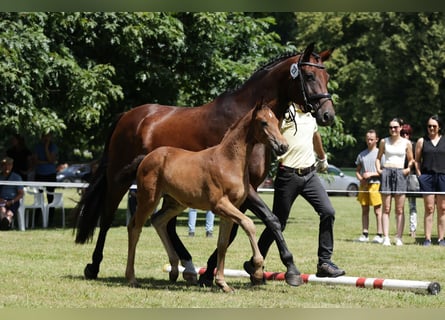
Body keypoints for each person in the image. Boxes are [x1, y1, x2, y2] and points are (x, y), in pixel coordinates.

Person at [243, 104, 345, 279]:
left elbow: (315, 136)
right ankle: (255, 263)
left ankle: (325, 263)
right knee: (278, 223)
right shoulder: (284, 114)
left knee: (328, 212)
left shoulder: (310, 115)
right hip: (288, 175)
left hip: (310, 174)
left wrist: (322, 157)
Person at [376, 118, 414, 246]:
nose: (393, 129)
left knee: (399, 209)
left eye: (396, 127)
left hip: (400, 173)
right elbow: (378, 158)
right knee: (386, 208)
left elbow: (411, 159)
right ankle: (386, 237)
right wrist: (379, 170)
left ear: (401, 128)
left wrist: (408, 169)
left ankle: (399, 237)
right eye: (391, 127)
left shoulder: (406, 143)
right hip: (386, 171)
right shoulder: (383, 141)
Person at [414, 115, 445, 246]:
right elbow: (417, 160)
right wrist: (420, 175)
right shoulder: (422, 141)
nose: (431, 128)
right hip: (427, 177)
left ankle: (441, 239)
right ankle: (427, 239)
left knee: (443, 208)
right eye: (429, 126)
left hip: (443, 177)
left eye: (434, 126)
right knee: (429, 208)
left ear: (439, 127)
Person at [355, 129, 383, 243]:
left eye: (372, 139)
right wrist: (361, 178)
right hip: (364, 186)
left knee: (377, 210)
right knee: (364, 210)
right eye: (367, 139)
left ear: (377, 140)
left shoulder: (380, 154)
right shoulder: (362, 154)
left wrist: (371, 174)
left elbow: (382, 171)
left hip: (376, 184)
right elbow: (357, 170)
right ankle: (365, 233)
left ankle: (379, 234)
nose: (369, 141)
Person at [32, 131, 58, 227]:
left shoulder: (53, 147)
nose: (46, 139)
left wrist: (46, 148)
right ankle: (36, 220)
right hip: (39, 174)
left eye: (48, 137)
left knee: (50, 198)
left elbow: (51, 160)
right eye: (45, 137)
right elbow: (35, 161)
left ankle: (50, 221)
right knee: (38, 197)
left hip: (50, 175)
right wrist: (46, 162)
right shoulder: (37, 146)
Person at [401, 123, 418, 238]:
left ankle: (413, 229)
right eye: (403, 133)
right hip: (400, 177)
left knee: (412, 205)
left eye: (407, 133)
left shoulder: (414, 145)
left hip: (411, 176)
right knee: (399, 205)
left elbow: (417, 161)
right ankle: (400, 228)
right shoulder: (396, 145)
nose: (405, 135)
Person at [0, 157, 24, 230]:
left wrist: (12, 201)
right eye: (5, 165)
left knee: (9, 213)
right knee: (2, 210)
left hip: (13, 200)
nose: (7, 167)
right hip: (1, 201)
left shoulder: (17, 177)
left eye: (9, 165)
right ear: (1, 166)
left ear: (12, 166)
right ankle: (6, 223)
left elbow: (21, 193)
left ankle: (6, 222)